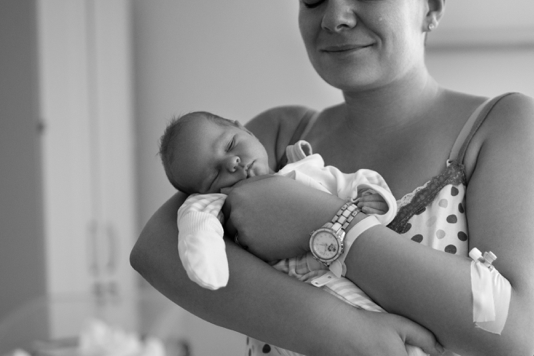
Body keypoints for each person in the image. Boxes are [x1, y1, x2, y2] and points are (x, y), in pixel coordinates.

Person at [130, 0, 534, 355]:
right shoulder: (278, 136)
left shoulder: (505, 127)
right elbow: (156, 250)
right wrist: (350, 333)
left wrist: (321, 220)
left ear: (432, 4)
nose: (333, 17)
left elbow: (510, 330)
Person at [159, 110, 425, 356]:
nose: (231, 163)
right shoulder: (223, 205)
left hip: (353, 287)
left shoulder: (307, 169)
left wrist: (377, 200)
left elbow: (356, 183)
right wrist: (207, 262)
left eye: (230, 145)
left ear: (246, 131)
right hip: (295, 316)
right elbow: (197, 222)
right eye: (214, 174)